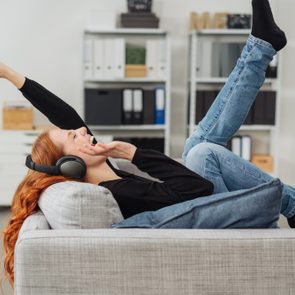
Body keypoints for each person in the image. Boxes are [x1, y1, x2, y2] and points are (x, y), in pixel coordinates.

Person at [1, 0, 293, 288]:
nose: (79, 129)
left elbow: (63, 114)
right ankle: (292, 204)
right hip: (213, 215)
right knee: (203, 152)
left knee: (198, 143)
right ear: (70, 165)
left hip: (201, 203)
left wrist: (10, 75)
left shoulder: (108, 173)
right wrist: (134, 153)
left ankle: (261, 45)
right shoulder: (122, 191)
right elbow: (197, 190)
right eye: (72, 137)